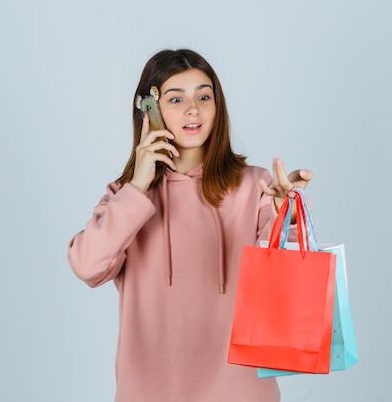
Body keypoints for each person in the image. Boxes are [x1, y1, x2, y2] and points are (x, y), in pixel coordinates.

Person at [67, 48, 312, 402]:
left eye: (204, 96)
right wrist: (138, 186)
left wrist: (282, 212)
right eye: (176, 98)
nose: (193, 108)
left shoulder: (254, 187)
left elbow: (283, 287)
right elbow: (87, 266)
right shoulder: (127, 196)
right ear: (150, 110)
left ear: (218, 107)